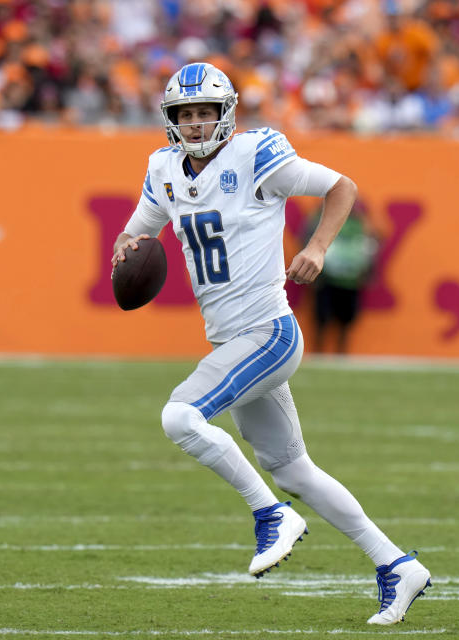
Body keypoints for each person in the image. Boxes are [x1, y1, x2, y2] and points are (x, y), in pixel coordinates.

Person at [110, 62, 431, 625]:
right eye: (186, 115)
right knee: (293, 469)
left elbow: (341, 187)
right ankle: (397, 565)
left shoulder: (255, 154)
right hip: (234, 340)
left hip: (268, 333)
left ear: (226, 114)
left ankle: (270, 517)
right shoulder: (162, 169)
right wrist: (126, 246)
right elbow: (139, 230)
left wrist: (319, 247)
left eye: (205, 112)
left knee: (180, 417)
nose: (195, 123)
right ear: (171, 119)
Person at [309, 200, 379, 354]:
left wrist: (368, 272)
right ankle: (319, 352)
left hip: (351, 281)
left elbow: (370, 246)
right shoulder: (323, 219)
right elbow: (309, 238)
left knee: (345, 322)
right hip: (327, 278)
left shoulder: (362, 224)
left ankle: (341, 353)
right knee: (323, 319)